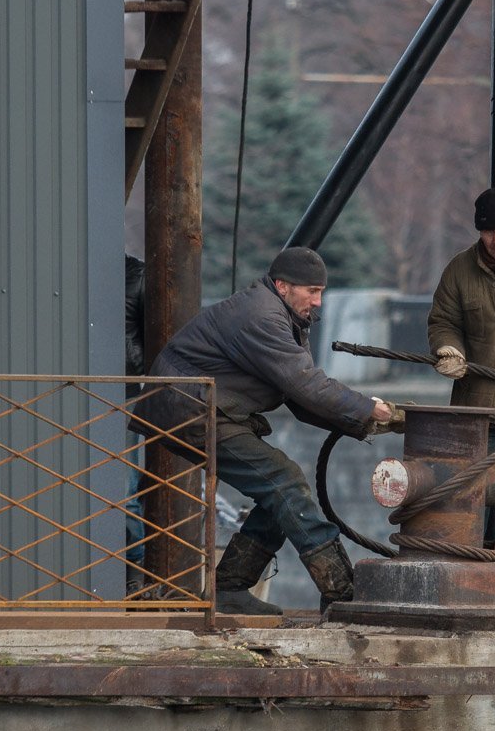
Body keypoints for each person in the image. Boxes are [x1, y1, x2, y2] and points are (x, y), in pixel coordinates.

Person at [131, 247, 396, 616]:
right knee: (284, 482)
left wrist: (362, 420)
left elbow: (298, 395)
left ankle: (230, 588)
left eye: (321, 292)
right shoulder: (262, 317)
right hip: (192, 410)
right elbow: (304, 383)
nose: (317, 301)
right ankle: (341, 593)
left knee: (281, 491)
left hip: (201, 407)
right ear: (283, 285)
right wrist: (367, 408)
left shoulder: (281, 314)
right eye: (311, 291)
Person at [427, 187, 495, 548]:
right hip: (481, 414)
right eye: (489, 231)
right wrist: (448, 348)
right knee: (475, 503)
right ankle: (480, 563)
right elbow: (442, 321)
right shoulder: (459, 270)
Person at [123, 254, 147, 594]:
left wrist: (135, 363)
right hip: (82, 387)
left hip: (121, 389)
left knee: (125, 491)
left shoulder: (137, 275)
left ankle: (135, 576)